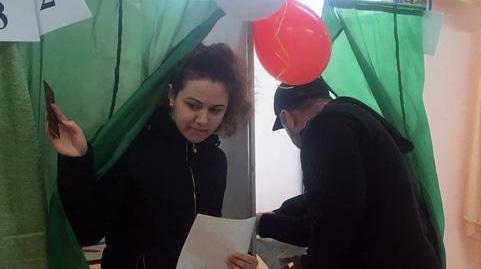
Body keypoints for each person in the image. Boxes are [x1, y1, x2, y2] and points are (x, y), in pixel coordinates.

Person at [47, 43, 258, 269]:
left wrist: (235, 259)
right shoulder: (135, 149)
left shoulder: (215, 161)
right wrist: (76, 160)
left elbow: (207, 236)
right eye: (193, 105)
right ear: (171, 95)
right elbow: (86, 231)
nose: (203, 120)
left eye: (215, 110)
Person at [256, 77, 441, 269]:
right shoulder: (352, 117)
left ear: (287, 118)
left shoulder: (324, 128)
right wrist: (270, 218)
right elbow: (327, 199)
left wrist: (309, 264)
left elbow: (333, 221)